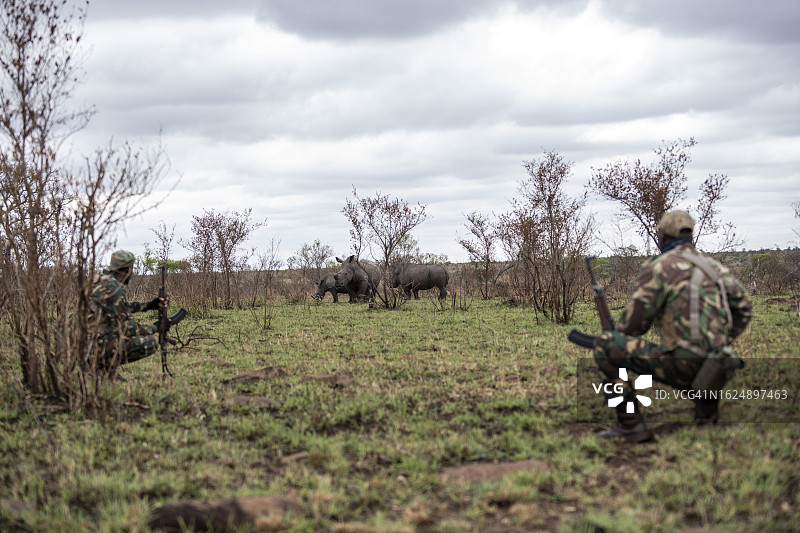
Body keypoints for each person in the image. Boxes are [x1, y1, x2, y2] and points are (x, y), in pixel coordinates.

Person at [593, 210, 753, 442]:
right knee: (702, 353)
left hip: (681, 367)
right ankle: (707, 414)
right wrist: (721, 341)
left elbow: (633, 327)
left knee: (606, 345)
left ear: (662, 236)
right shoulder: (715, 267)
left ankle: (630, 425)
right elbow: (745, 309)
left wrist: (617, 330)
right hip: (717, 365)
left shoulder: (659, 267)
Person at [88, 250, 168, 377]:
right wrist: (156, 327)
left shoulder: (100, 280)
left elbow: (119, 307)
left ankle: (102, 369)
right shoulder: (114, 288)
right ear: (127, 270)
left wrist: (149, 305)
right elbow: (129, 328)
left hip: (82, 340)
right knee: (150, 343)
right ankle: (101, 368)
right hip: (91, 345)